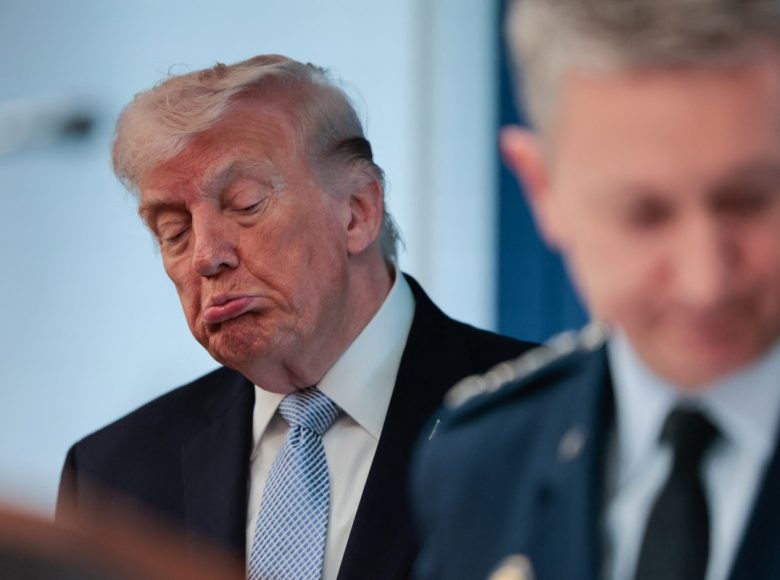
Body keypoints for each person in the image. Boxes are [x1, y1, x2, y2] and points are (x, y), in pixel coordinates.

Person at [56, 54, 534, 580]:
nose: (205, 256)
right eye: (174, 231)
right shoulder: (112, 477)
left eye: (244, 204)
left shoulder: (542, 419)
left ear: (357, 211)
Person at [411, 1, 780, 579]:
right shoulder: (483, 465)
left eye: (750, 200)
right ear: (542, 189)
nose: (705, 281)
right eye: (644, 215)